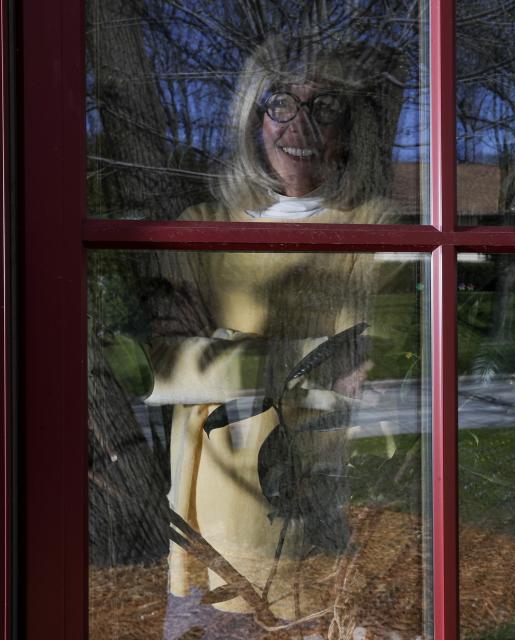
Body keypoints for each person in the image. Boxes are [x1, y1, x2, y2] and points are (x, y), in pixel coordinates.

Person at [149, 33, 405, 638]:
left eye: (326, 107)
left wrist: (224, 348)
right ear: (251, 118)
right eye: (279, 103)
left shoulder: (376, 227)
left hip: (326, 487)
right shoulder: (200, 228)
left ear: (349, 129)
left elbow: (376, 363)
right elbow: (164, 368)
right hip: (212, 489)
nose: (301, 124)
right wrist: (305, 365)